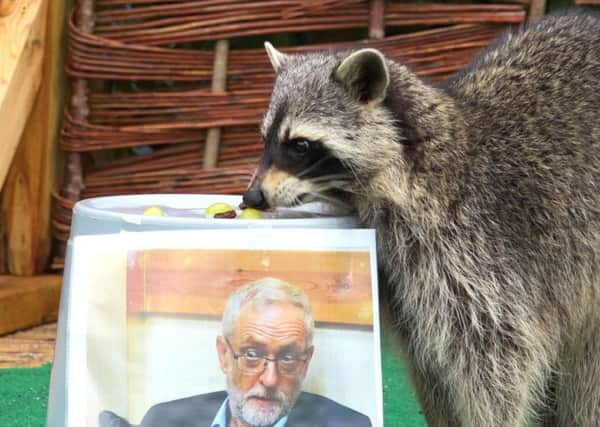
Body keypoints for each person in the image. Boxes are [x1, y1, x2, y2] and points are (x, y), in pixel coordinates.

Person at [100, 277, 372, 427]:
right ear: (223, 355)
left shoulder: (350, 426)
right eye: (252, 354)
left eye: (288, 358)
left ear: (305, 363)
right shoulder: (163, 421)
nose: (270, 379)